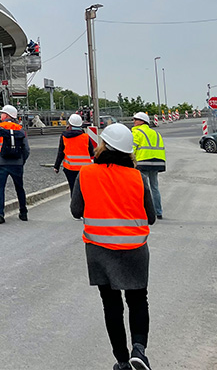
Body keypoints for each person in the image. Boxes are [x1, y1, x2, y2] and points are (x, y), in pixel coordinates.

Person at [71, 122, 156, 370]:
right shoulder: (137, 177)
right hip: (134, 249)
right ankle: (139, 350)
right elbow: (150, 217)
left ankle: (121, 360)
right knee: (138, 300)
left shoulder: (86, 173)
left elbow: (76, 210)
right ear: (129, 151)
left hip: (99, 248)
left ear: (103, 146)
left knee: (111, 304)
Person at [0, 104, 30, 224]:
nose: (1, 115)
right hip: (17, 163)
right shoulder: (20, 129)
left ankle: (0, 214)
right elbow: (26, 149)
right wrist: (22, 161)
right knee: (19, 188)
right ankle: (23, 212)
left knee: (0, 188)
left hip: (1, 162)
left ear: (7, 115)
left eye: (2, 113)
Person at [131, 112, 166, 219]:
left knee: (142, 188)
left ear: (142, 121)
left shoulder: (137, 132)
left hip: (143, 162)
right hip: (157, 162)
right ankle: (158, 211)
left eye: (136, 119)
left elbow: (132, 149)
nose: (134, 121)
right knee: (154, 187)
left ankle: (143, 211)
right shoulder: (155, 133)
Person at [53, 113, 95, 193]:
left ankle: (75, 204)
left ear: (70, 124)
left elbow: (61, 153)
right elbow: (92, 153)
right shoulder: (85, 137)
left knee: (73, 190)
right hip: (84, 170)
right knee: (84, 190)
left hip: (70, 169)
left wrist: (56, 166)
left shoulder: (64, 137)